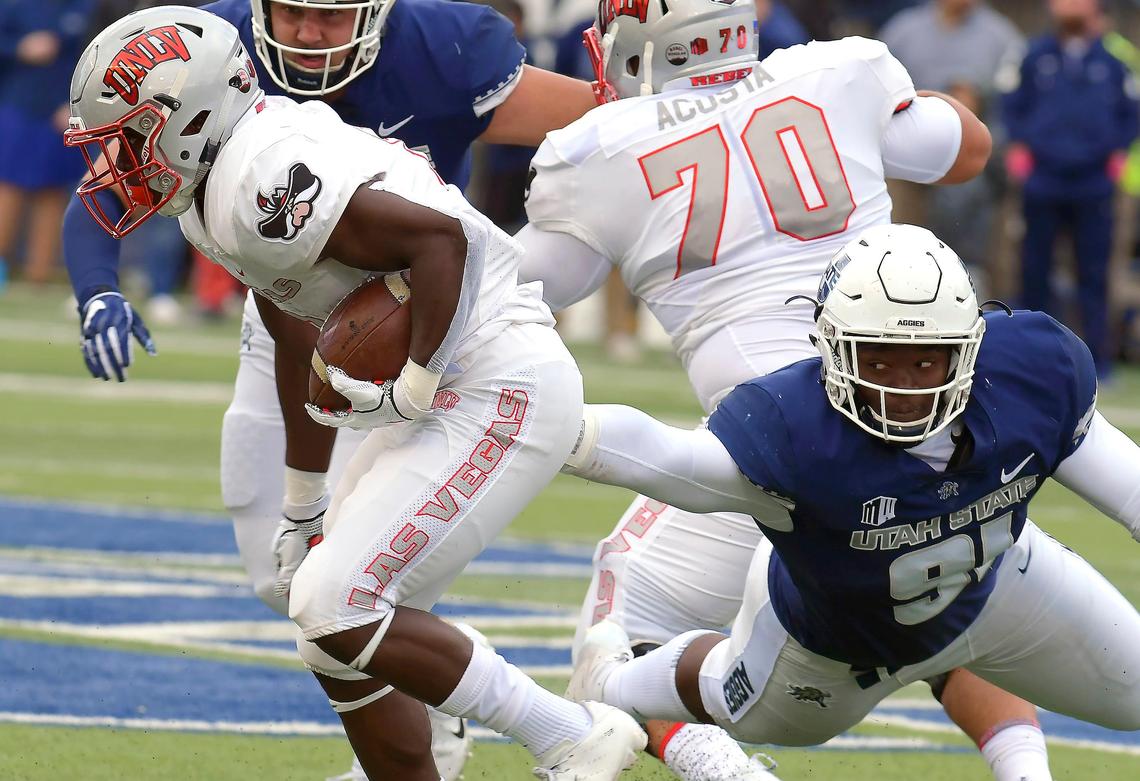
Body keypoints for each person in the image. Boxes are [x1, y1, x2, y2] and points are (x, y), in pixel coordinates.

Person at [65, 7, 646, 781]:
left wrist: (416, 382)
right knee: (323, 619)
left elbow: (444, 242)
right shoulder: (217, 180)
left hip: (500, 377)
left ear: (190, 117)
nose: (114, 162)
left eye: (129, 139)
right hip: (467, 378)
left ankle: (569, 733)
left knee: (336, 603)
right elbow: (287, 318)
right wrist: (303, 500)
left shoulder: (261, 175)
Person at [518, 4, 1056, 781]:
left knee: (623, 628)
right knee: (947, 605)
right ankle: (1027, 770)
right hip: (916, 415)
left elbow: (526, 285)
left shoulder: (599, 149)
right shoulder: (836, 72)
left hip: (773, 445)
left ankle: (729, 770)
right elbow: (967, 149)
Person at [561, 224, 1140, 757]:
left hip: (991, 582)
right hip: (826, 652)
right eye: (880, 360)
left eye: (925, 361)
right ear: (832, 346)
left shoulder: (1033, 371)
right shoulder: (795, 427)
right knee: (726, 692)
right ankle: (610, 677)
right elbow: (671, 457)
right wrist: (564, 430)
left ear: (969, 347)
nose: (903, 387)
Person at [1001, 0, 1139, 379]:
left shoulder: (1113, 62)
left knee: (1093, 273)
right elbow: (1012, 105)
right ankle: (1025, 354)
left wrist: (1117, 155)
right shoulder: (1033, 56)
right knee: (1034, 269)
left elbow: (1131, 112)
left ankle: (1097, 358)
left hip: (1093, 182)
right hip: (1043, 179)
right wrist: (1019, 150)